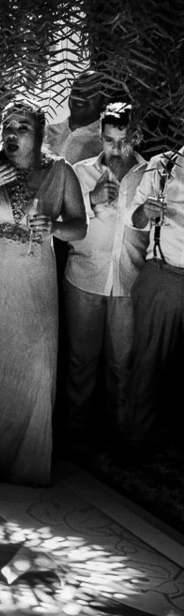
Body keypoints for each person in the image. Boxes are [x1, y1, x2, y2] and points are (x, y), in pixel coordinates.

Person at [0, 98, 86, 485]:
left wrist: (55, 228)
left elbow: (80, 227)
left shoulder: (60, 171)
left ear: (39, 133)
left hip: (35, 280)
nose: (13, 133)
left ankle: (25, 461)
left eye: (23, 127)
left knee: (36, 366)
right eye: (8, 127)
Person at [61, 103, 148, 446]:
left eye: (123, 141)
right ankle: (74, 436)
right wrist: (90, 201)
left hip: (129, 283)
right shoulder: (79, 172)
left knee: (122, 366)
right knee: (79, 363)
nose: (116, 148)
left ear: (135, 137)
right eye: (109, 140)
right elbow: (61, 225)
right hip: (84, 278)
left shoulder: (150, 174)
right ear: (100, 135)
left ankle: (120, 438)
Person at [124, 142, 184, 455]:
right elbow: (133, 219)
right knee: (147, 364)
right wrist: (145, 211)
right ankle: (136, 441)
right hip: (164, 274)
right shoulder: (162, 164)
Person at [45, 69, 104, 165]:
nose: (80, 97)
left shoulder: (104, 141)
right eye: (76, 91)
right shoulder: (46, 133)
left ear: (103, 102)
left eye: (89, 93)